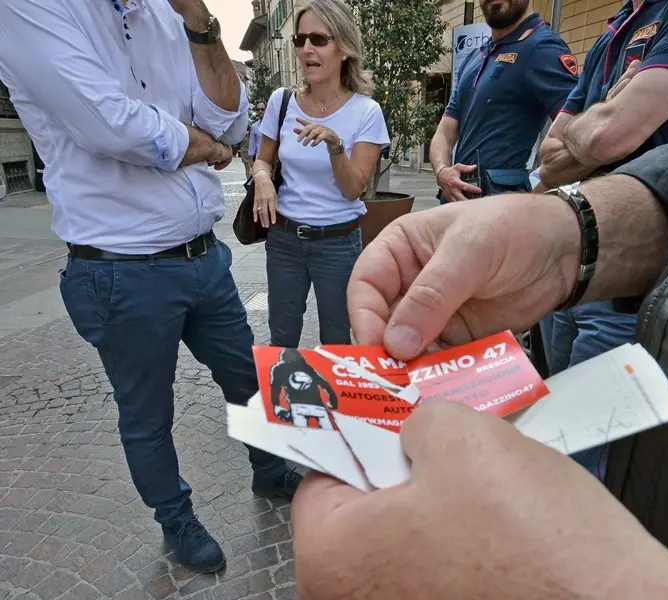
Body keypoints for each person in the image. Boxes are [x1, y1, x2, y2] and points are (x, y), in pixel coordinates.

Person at [290, 0, 668, 598]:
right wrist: (576, 229)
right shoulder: (619, 31)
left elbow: (600, 136)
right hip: (593, 299)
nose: (306, 50)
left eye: (318, 37)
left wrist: (580, 580)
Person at [0, 0, 301, 574]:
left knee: (246, 375)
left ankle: (269, 468)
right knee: (147, 413)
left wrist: (199, 23)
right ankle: (175, 516)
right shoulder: (30, 9)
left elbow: (231, 123)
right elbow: (115, 127)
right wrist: (210, 149)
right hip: (119, 268)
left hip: (203, 254)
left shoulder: (168, 15)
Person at [535, 0, 668, 478]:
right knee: (555, 434)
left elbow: (608, 137)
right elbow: (548, 160)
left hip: (635, 285)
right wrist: (607, 114)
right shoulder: (616, 31)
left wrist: (595, 126)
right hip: (578, 261)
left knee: (586, 463)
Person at [250, 0, 389, 348]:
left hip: (338, 244)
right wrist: (263, 178)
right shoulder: (282, 102)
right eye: (300, 40)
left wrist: (335, 145)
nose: (306, 49)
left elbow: (353, 189)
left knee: (337, 341)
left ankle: (336, 403)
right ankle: (286, 403)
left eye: (318, 39)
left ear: (343, 49)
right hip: (284, 240)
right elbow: (262, 161)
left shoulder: (366, 112)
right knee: (282, 338)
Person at [430, 0, 578, 204]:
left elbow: (579, 135)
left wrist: (537, 195)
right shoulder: (476, 56)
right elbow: (445, 132)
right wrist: (442, 171)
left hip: (503, 211)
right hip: (456, 204)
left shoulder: (543, 47)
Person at [269, 348, 338, 430]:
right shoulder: (307, 367)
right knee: (330, 433)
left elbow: (275, 387)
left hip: (297, 405)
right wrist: (333, 401)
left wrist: (276, 406)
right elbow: (324, 384)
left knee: (301, 434)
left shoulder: (279, 369)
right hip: (317, 405)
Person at [247, 101, 266, 177]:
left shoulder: (273, 125)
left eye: (262, 109)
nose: (260, 111)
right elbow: (252, 144)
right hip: (259, 159)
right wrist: (251, 160)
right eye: (258, 109)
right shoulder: (254, 126)